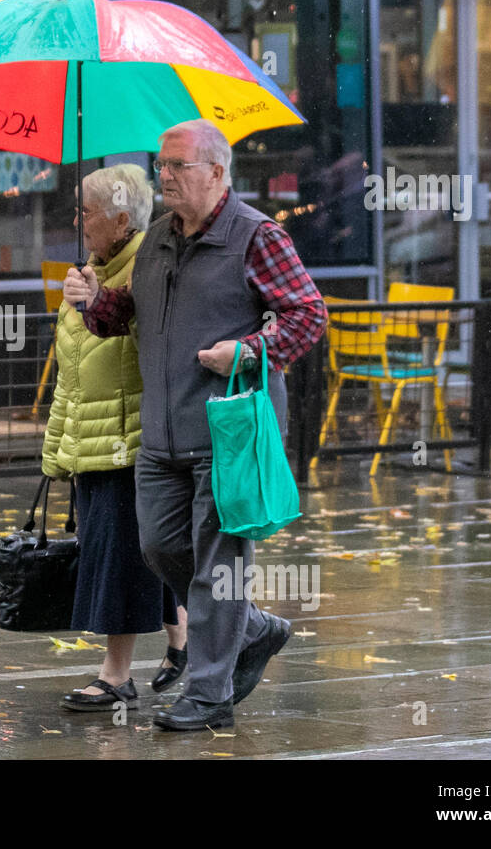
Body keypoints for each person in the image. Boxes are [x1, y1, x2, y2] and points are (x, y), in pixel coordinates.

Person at [63, 119, 327, 731]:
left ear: (216, 171)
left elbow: (306, 315)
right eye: (162, 165)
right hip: (162, 433)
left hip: (228, 430)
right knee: (159, 549)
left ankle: (209, 696)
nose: (167, 175)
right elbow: (122, 315)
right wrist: (92, 298)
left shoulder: (257, 236)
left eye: (179, 165)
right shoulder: (157, 238)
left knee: (217, 564)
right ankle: (252, 628)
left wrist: (248, 352)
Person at [43, 164, 188, 713]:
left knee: (119, 557)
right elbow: (73, 370)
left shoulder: (145, 269)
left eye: (88, 212)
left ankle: (116, 674)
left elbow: (138, 342)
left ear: (122, 219)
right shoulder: (88, 269)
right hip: (92, 437)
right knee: (141, 553)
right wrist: (58, 446)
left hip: (127, 440)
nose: (78, 222)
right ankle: (183, 639)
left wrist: (95, 299)